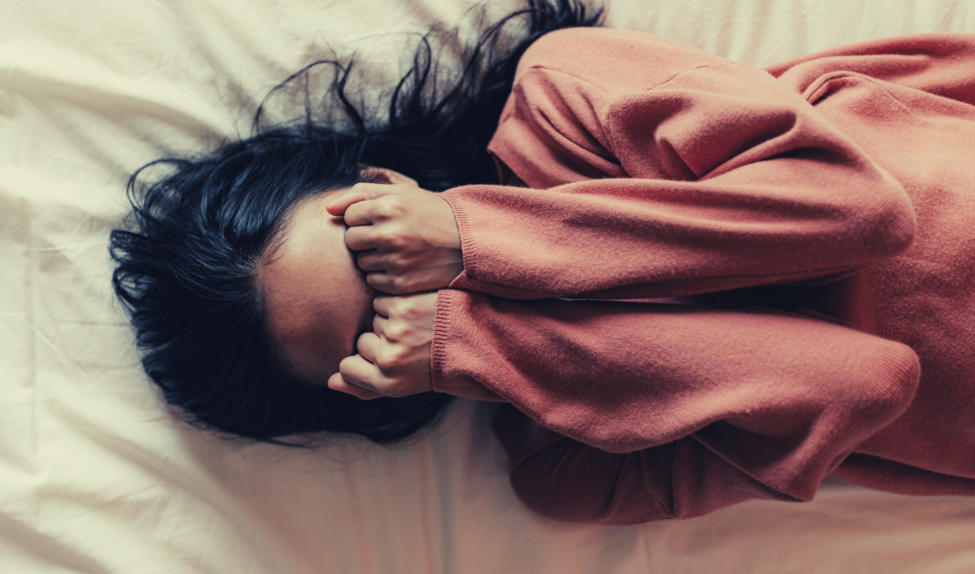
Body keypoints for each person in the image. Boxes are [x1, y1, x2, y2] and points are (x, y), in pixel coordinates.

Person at [111, 0, 975, 524]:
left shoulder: (563, 100)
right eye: (381, 328)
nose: (414, 291)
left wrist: (478, 237)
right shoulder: (571, 469)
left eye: (373, 250)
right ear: (382, 388)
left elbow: (856, 212)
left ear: (381, 181)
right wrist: (487, 337)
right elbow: (862, 382)